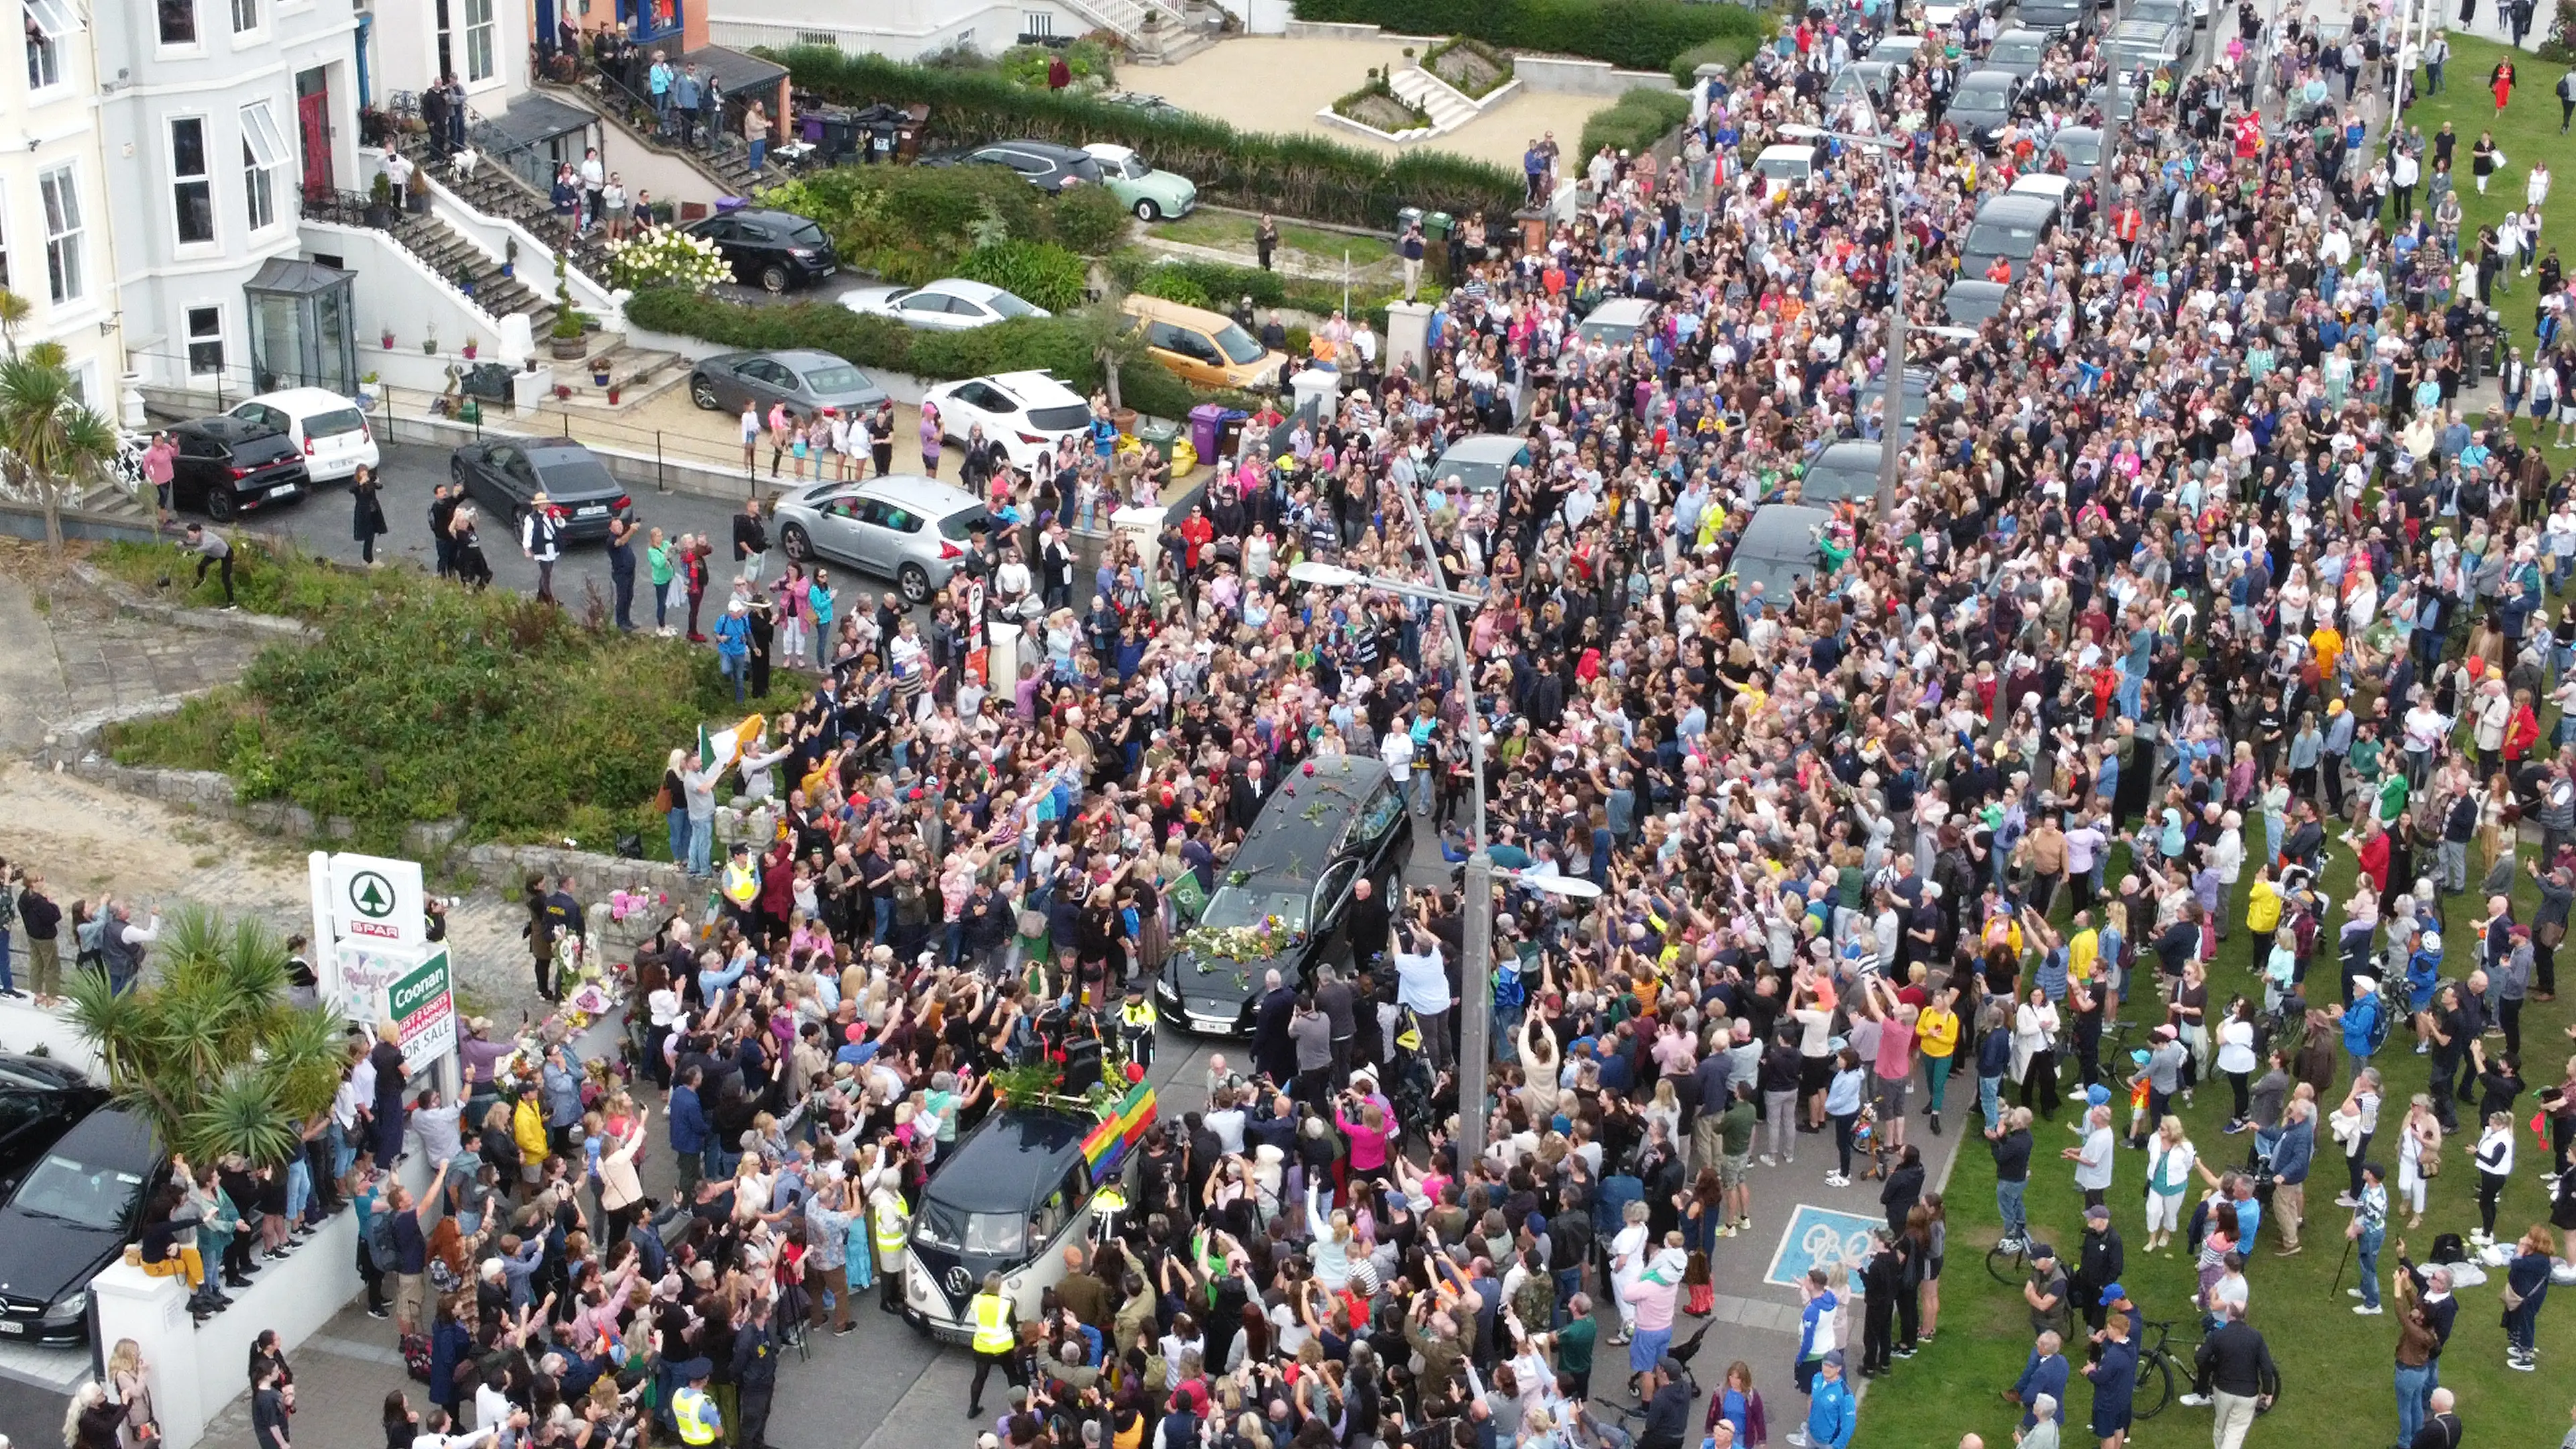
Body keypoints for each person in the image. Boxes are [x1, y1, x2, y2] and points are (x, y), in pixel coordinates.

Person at [181, 523, 235, 607]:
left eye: (191, 536)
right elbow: (196, 542)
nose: (190, 538)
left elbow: (205, 547)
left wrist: (191, 552)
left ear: (197, 532)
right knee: (201, 566)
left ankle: (232, 603)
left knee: (225, 579)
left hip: (226, 554)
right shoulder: (200, 536)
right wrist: (186, 543)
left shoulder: (208, 538)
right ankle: (201, 579)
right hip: (213, 553)